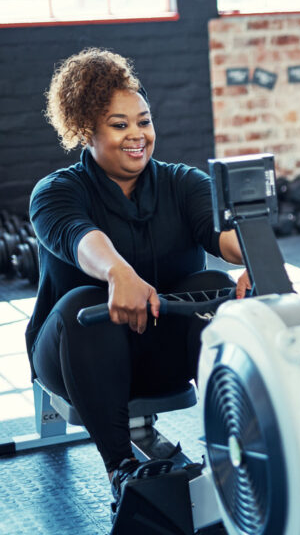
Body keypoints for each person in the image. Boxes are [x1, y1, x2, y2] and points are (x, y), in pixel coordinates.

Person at [27, 48, 250, 508]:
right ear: (86, 130)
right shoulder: (55, 193)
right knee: (82, 304)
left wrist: (255, 254)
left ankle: (238, 446)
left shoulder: (182, 183)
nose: (137, 135)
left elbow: (221, 232)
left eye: (143, 121)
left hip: (161, 354)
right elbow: (80, 237)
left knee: (213, 288)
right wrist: (117, 274)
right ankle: (120, 471)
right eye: (119, 124)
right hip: (76, 358)